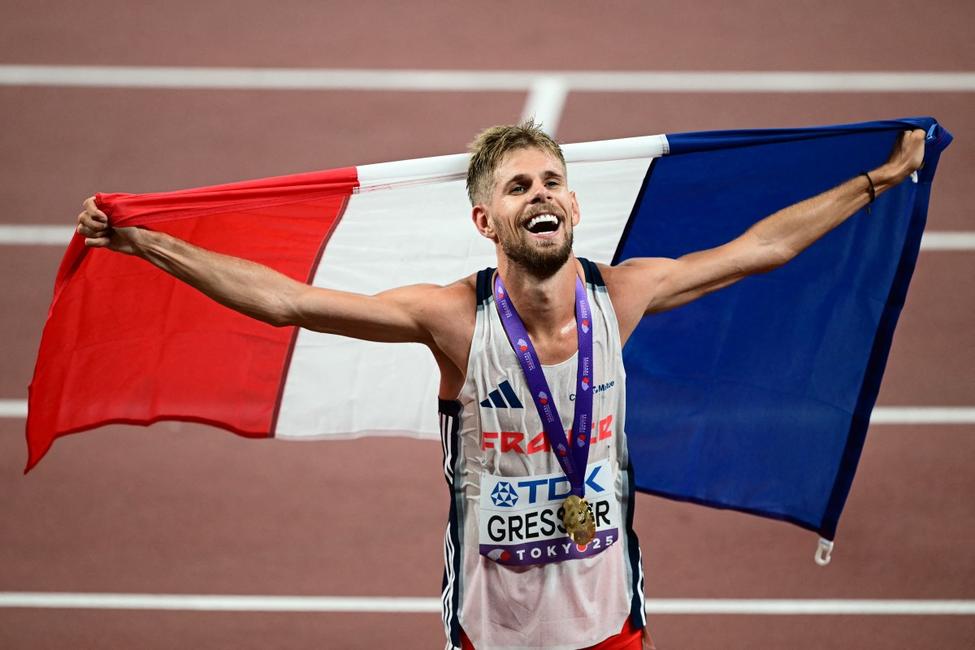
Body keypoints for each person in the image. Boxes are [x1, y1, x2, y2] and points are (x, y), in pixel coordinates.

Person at [77, 121, 925, 650]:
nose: (539, 195)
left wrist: (877, 181)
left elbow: (760, 250)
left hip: (610, 627)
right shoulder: (454, 319)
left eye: (551, 182)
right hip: (493, 635)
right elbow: (288, 302)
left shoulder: (622, 295)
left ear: (574, 207)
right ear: (486, 220)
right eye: (518, 187)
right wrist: (147, 242)